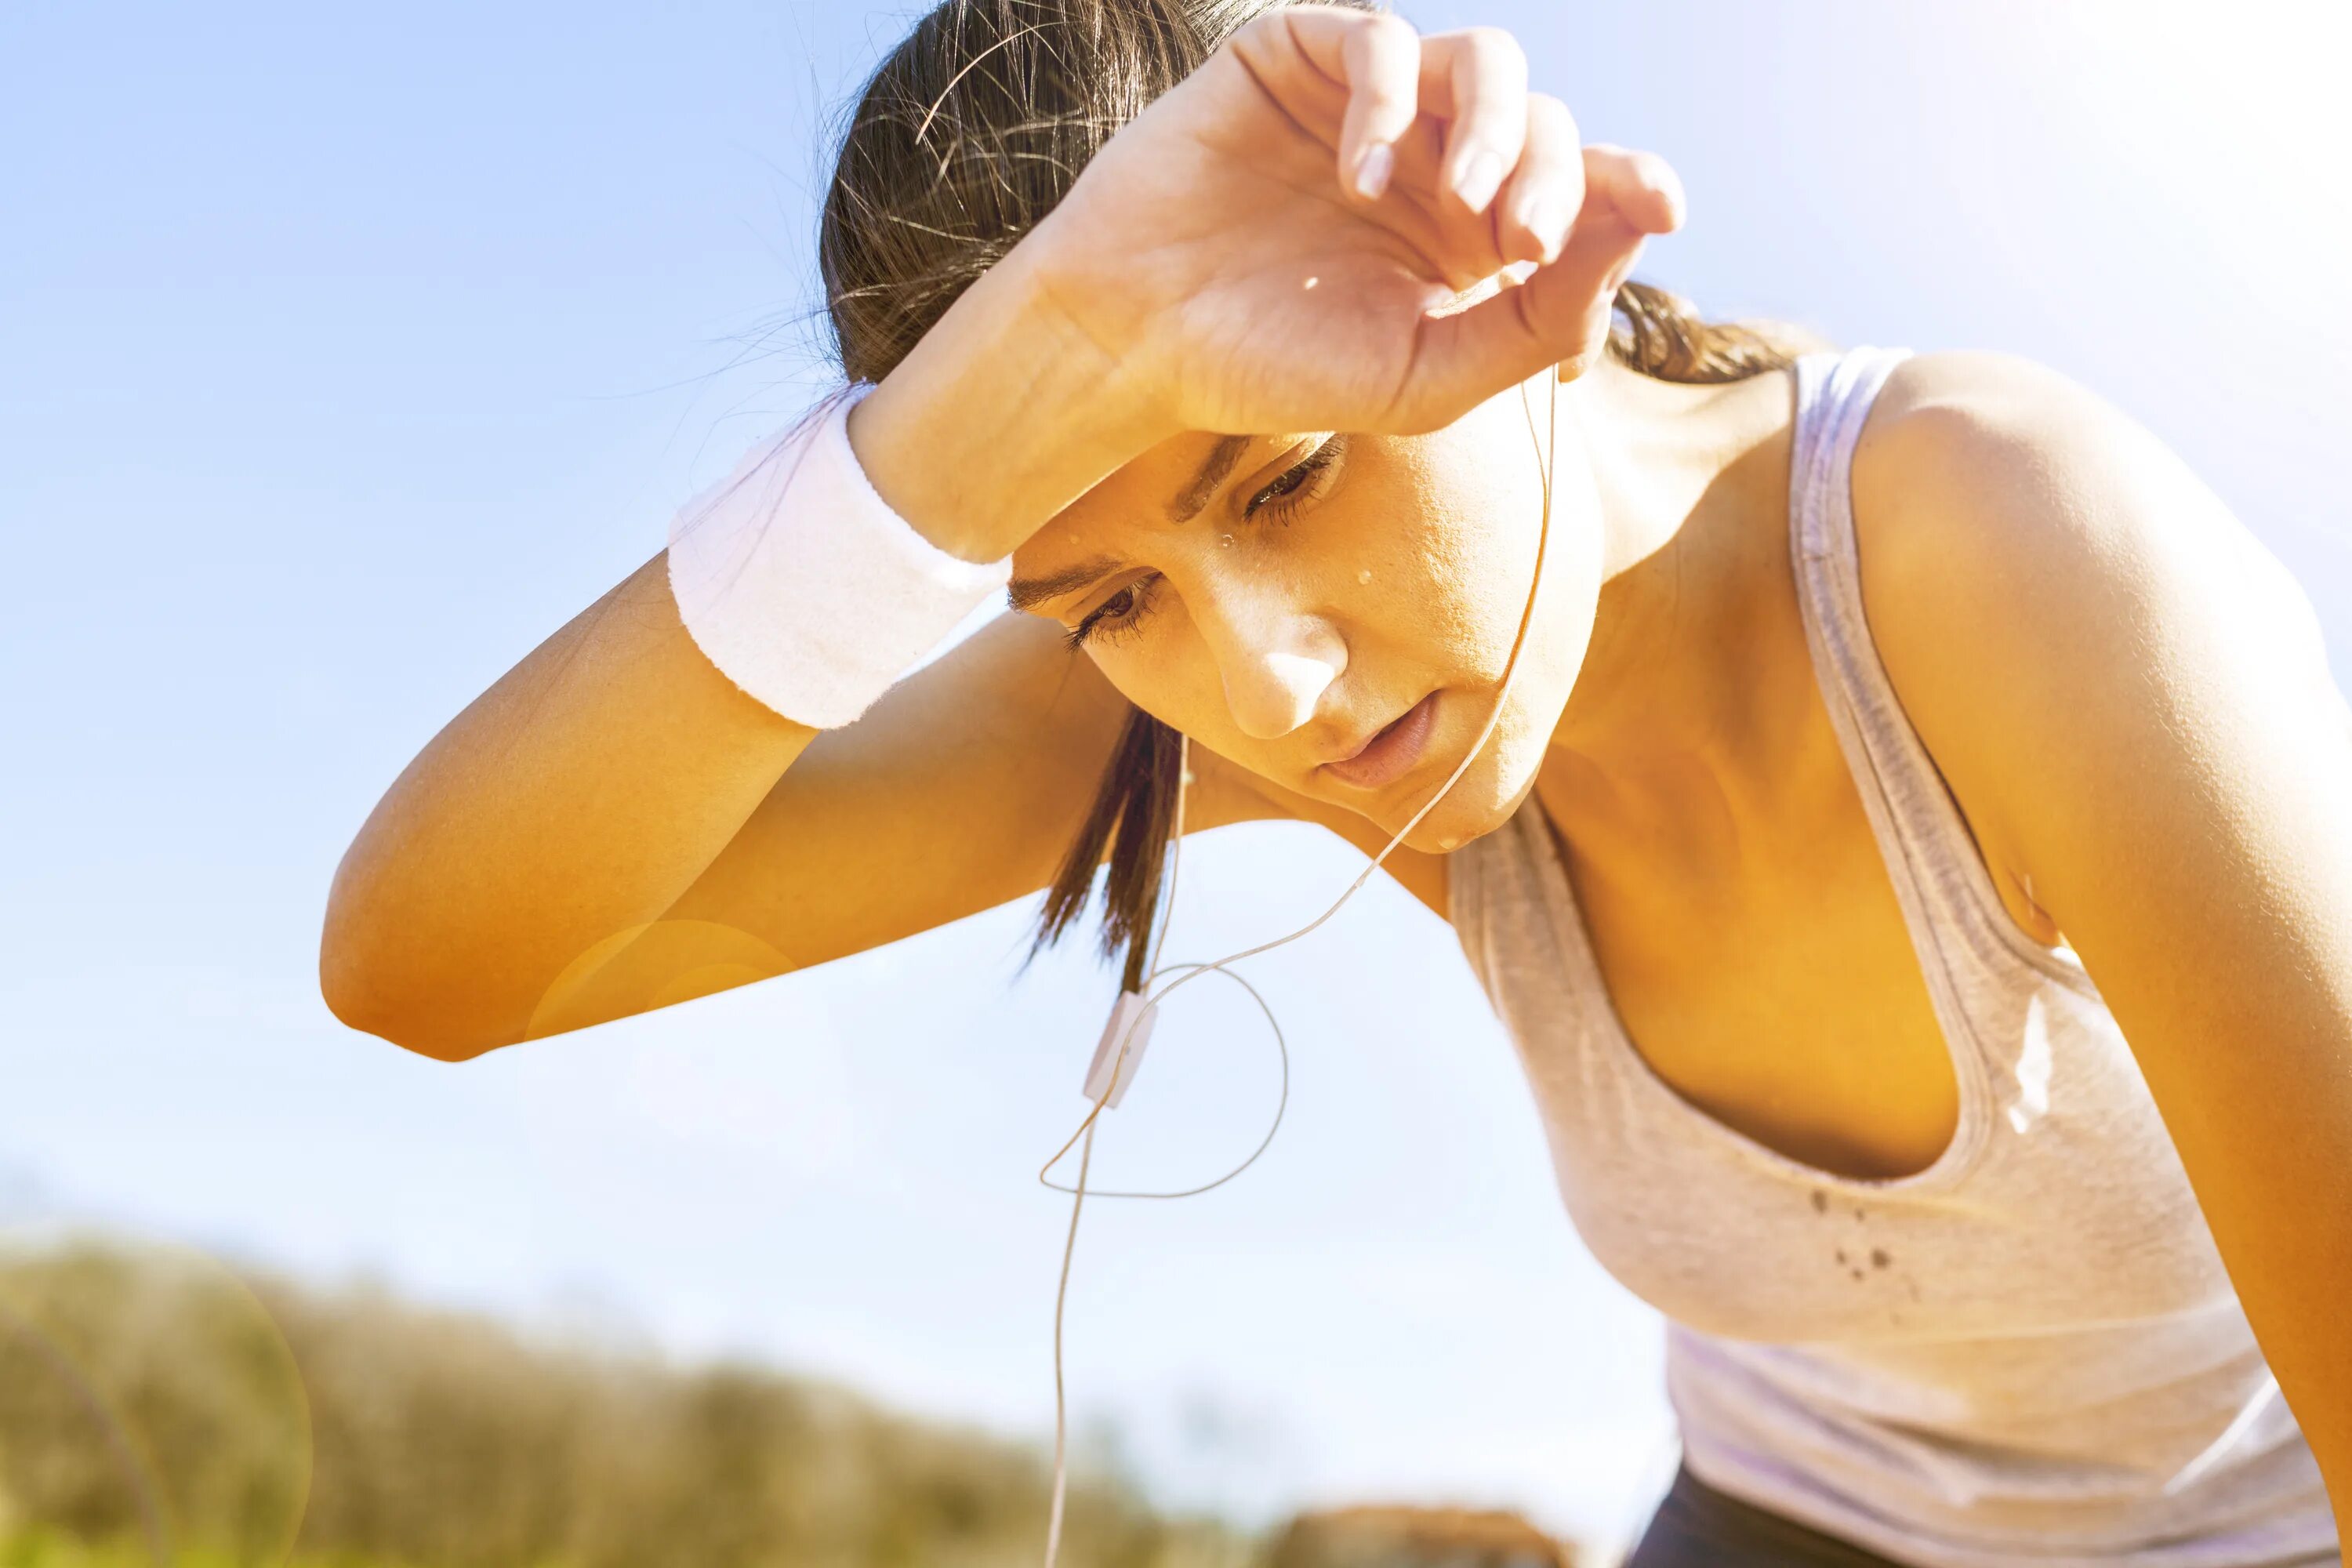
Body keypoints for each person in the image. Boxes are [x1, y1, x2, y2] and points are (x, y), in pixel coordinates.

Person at [318, 1, 2352, 1562]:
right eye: (1107, 596)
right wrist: (934, 462)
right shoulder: (1202, 698)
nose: (1267, 683)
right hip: (1789, 1520)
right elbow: (432, 962)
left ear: (1487, 257)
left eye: (1286, 478)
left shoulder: (2003, 547)